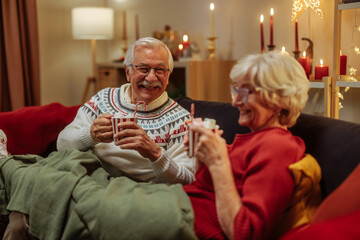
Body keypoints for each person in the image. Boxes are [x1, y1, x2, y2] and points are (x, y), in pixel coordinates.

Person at [183, 50, 310, 239]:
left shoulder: (278, 145)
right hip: (175, 209)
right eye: (235, 90)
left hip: (179, 218)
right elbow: (203, 193)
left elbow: (245, 232)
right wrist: (202, 156)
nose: (235, 101)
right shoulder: (253, 140)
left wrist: (218, 162)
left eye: (245, 92)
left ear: (278, 99)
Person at [57, 37, 193, 185]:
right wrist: (90, 134)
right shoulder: (103, 99)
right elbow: (62, 144)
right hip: (91, 178)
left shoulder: (181, 120)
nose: (152, 77)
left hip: (139, 189)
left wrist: (154, 152)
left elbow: (186, 178)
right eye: (143, 68)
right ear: (128, 72)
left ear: (168, 75)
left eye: (160, 70)